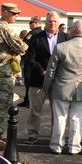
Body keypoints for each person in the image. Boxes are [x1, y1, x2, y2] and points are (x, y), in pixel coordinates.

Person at [43, 20, 82, 155]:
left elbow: (51, 70)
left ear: (73, 30)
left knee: (60, 117)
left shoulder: (61, 47)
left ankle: (57, 145)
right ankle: (74, 146)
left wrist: (47, 87)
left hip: (62, 86)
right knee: (76, 118)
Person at [23, 11, 68, 145]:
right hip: (38, 80)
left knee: (58, 112)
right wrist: (43, 71)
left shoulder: (66, 38)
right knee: (35, 111)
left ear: (58, 23)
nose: (52, 23)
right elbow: (30, 58)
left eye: (55, 21)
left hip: (58, 81)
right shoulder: (36, 38)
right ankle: (32, 135)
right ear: (45, 23)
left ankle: (56, 136)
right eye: (50, 21)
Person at [0, 3, 28, 150]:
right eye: (14, 13)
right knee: (2, 106)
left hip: (4, 72)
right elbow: (21, 47)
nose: (16, 16)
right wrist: (23, 45)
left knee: (1, 105)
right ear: (5, 12)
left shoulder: (2, 27)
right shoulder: (4, 28)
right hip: (4, 72)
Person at [20, 16, 42, 108]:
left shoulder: (32, 34)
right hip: (38, 61)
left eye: (31, 23)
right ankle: (27, 99)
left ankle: (28, 101)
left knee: (28, 82)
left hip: (29, 61)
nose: (29, 24)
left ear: (36, 23)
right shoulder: (42, 33)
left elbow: (25, 45)